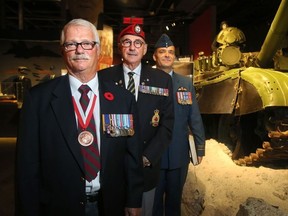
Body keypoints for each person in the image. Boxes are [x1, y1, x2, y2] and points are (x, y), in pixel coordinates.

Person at [15, 18, 143, 216]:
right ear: (62, 50)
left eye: (86, 43)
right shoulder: (38, 99)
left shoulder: (122, 99)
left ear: (98, 50)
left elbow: (132, 155)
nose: (79, 50)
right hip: (59, 206)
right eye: (71, 44)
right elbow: (27, 165)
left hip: (110, 204)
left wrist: (134, 200)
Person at [98, 24, 174, 216]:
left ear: (145, 49)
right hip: (111, 169)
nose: (133, 47)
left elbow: (167, 124)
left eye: (138, 43)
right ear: (119, 47)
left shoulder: (162, 80)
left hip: (145, 169)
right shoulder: (103, 78)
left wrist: (147, 157)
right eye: (127, 42)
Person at [152, 34, 206, 216]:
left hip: (178, 153)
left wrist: (200, 147)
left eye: (170, 52)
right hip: (153, 155)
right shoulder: (146, 81)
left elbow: (194, 116)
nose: (167, 55)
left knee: (175, 202)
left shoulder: (185, 83)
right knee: (154, 203)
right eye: (162, 51)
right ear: (154, 56)